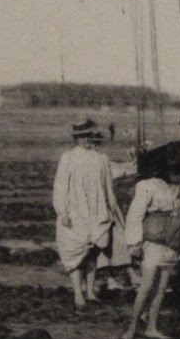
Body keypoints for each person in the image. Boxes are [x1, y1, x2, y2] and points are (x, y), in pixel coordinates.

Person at [122, 147, 180, 339]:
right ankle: (132, 327)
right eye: (176, 172)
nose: (179, 176)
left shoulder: (178, 186)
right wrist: (134, 243)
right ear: (166, 170)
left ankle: (151, 326)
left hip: (171, 242)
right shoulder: (148, 185)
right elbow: (135, 215)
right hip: (153, 242)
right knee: (147, 285)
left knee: (162, 287)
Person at [52, 119, 126, 309]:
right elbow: (60, 187)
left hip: (97, 212)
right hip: (75, 212)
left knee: (93, 252)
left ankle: (91, 292)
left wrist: (112, 209)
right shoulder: (68, 158)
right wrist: (63, 212)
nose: (85, 139)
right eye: (81, 136)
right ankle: (78, 294)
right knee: (75, 252)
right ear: (76, 138)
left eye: (88, 135)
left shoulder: (101, 159)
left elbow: (108, 188)